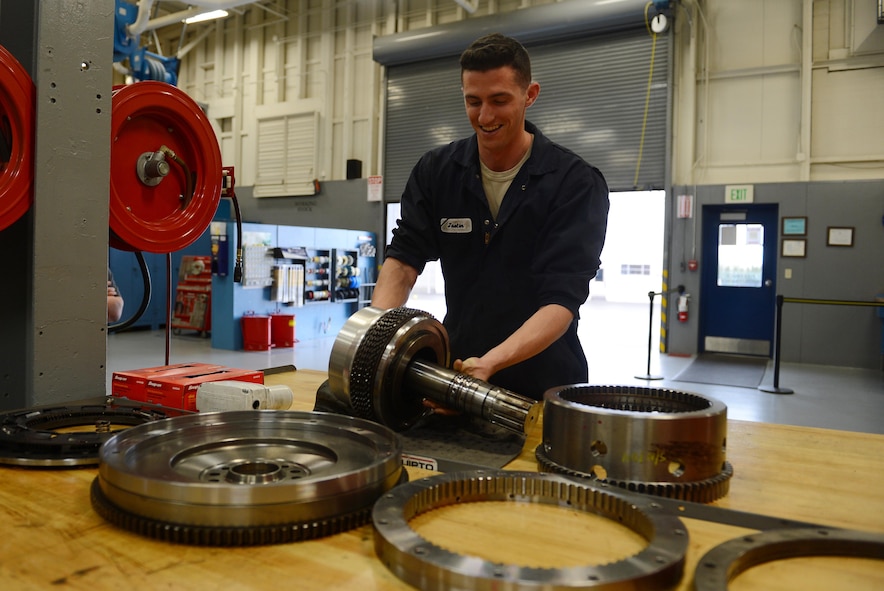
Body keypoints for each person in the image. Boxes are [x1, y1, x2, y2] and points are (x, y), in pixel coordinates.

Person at [372, 33, 609, 400]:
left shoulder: (574, 183)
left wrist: (491, 364)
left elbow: (561, 301)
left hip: (544, 384)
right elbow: (403, 260)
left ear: (530, 95)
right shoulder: (437, 172)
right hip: (457, 371)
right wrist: (375, 337)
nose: (484, 116)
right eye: (473, 101)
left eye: (499, 100)